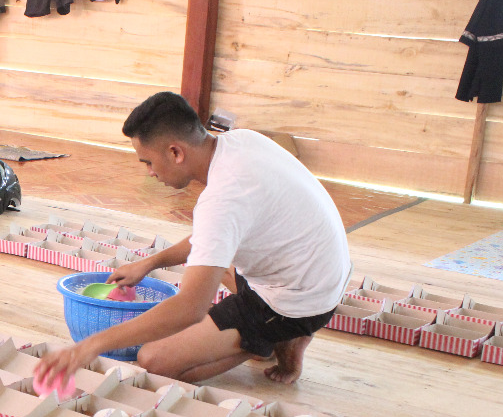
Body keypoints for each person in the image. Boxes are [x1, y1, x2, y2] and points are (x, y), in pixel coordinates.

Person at [35, 91, 352, 388]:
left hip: (298, 300)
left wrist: (89, 346)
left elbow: (190, 308)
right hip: (321, 273)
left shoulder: (222, 199)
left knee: (153, 360)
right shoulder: (241, 141)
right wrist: (151, 263)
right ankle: (264, 335)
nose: (150, 173)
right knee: (214, 265)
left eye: (148, 162)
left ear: (175, 152)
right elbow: (211, 237)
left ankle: (277, 335)